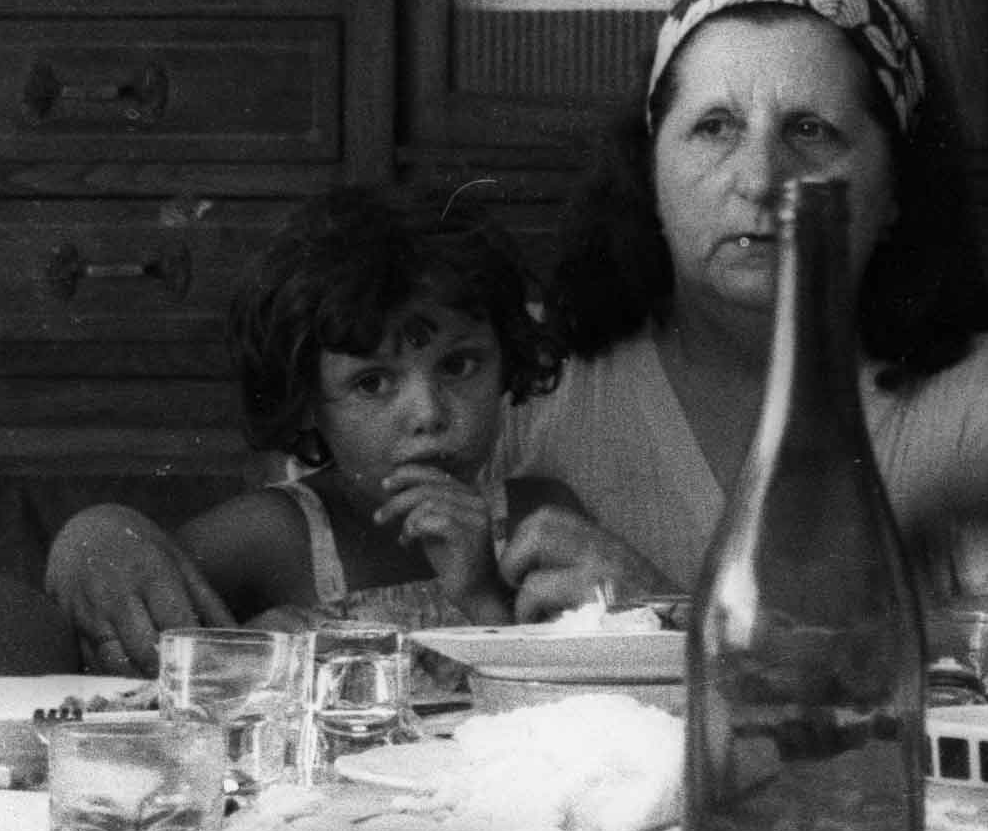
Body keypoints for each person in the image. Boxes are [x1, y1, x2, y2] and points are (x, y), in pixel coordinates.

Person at [489, 0, 988, 675]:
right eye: (714, 127)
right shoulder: (531, 381)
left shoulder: (987, 398)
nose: (759, 180)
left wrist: (671, 617)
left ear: (897, 187)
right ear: (649, 172)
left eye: (809, 130)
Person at [44, 184, 589, 663]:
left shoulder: (537, 521)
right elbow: (126, 591)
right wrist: (93, 533)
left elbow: (576, 712)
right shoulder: (277, 534)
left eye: (459, 365)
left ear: (506, 360)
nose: (429, 415)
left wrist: (483, 594)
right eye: (372, 382)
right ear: (306, 399)